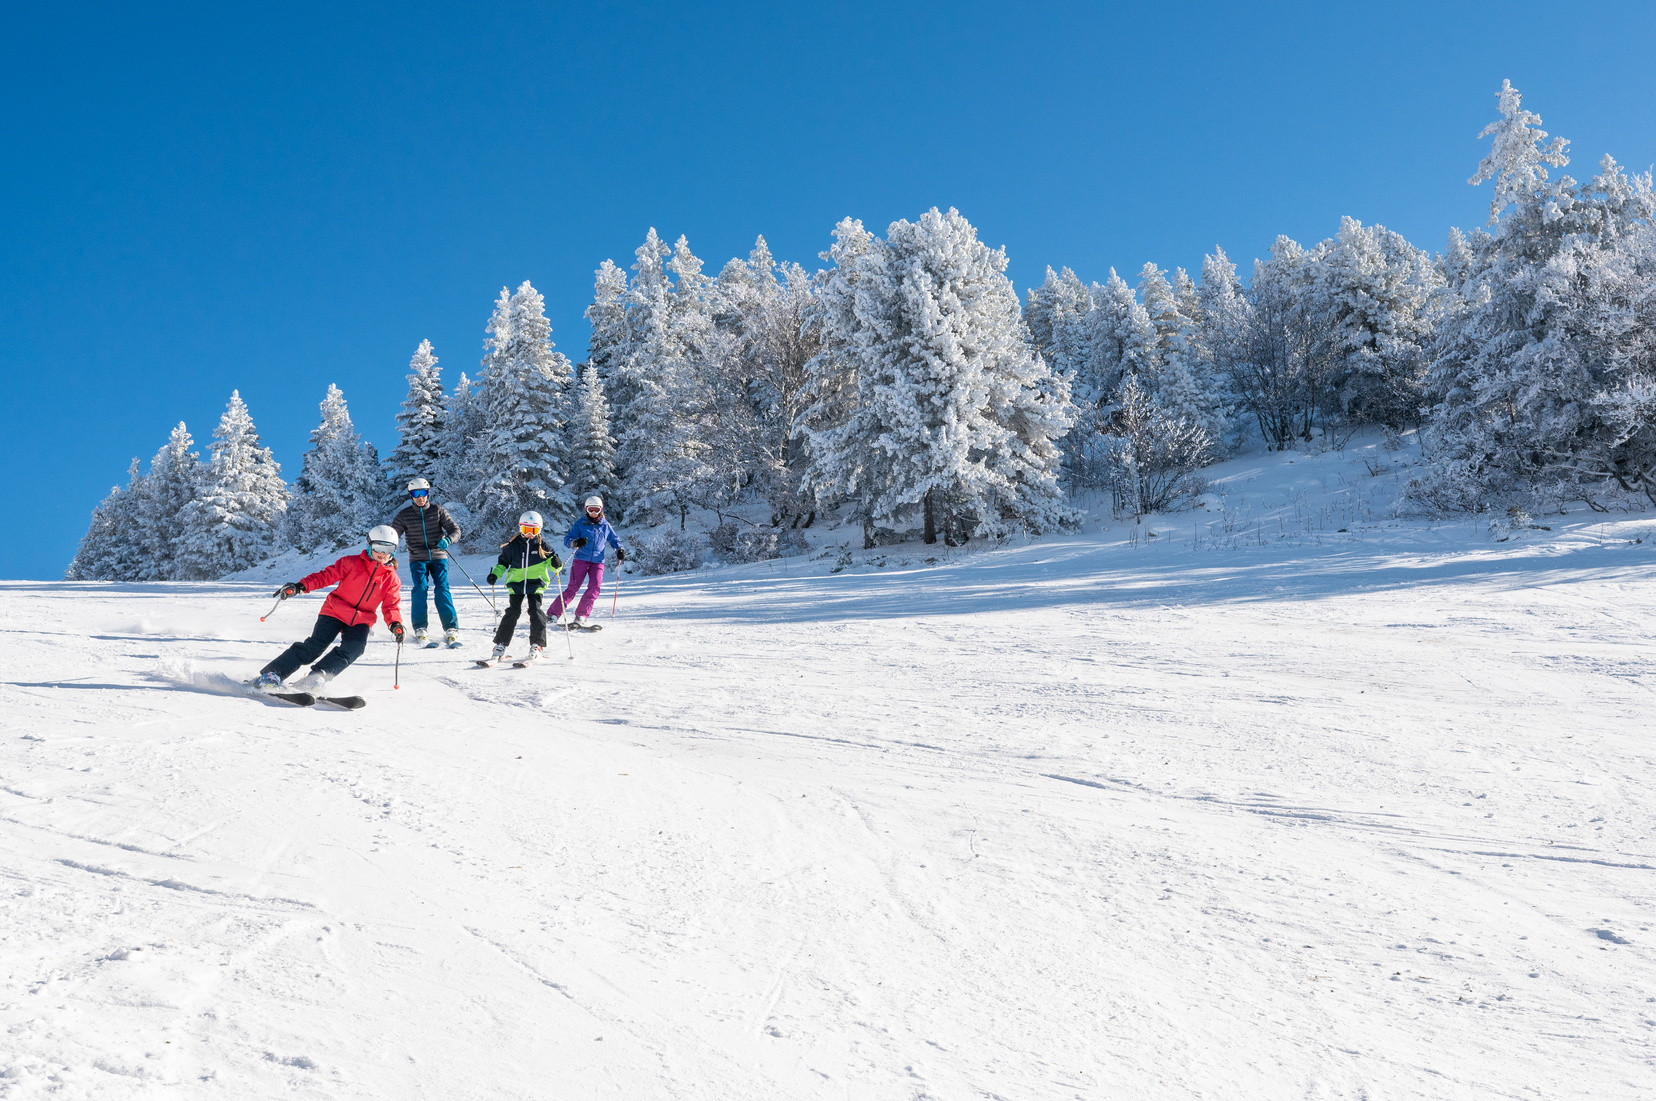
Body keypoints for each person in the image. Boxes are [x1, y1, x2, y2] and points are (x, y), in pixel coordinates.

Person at [253, 526, 405, 693]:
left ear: (394, 551)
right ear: (369, 545)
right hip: (335, 610)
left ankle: (317, 676)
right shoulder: (351, 562)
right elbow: (325, 576)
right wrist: (300, 586)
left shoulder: (391, 579)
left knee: (354, 649)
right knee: (314, 647)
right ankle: (272, 674)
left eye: (388, 549)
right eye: (378, 547)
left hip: (362, 619)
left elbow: (391, 605)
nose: (382, 553)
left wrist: (395, 624)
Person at [389, 477, 463, 649]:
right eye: (416, 494)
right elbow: (393, 536)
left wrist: (449, 540)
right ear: (411, 495)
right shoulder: (404, 515)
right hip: (417, 558)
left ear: (428, 493)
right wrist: (388, 551)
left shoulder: (438, 510)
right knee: (420, 589)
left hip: (439, 556)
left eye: (423, 493)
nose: (420, 497)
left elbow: (455, 530)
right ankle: (420, 627)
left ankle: (451, 627)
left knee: (442, 589)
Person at [485, 511, 563, 664]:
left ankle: (537, 645)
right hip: (516, 583)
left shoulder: (543, 546)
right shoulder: (512, 546)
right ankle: (500, 645)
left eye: (533, 530)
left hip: (536, 583)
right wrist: (495, 574)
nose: (529, 534)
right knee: (513, 611)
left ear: (539, 530)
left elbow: (554, 567)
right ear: (520, 528)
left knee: (536, 611)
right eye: (525, 530)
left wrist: (556, 564)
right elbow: (502, 564)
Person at [552, 495, 626, 628]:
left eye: (596, 510)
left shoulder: (605, 525)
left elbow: (614, 539)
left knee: (595, 588)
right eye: (590, 509)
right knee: (572, 588)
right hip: (581, 559)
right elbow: (567, 539)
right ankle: (552, 614)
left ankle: (581, 615)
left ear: (600, 510)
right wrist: (575, 542)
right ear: (586, 509)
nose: (593, 513)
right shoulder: (580, 523)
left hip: (598, 561)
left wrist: (619, 549)